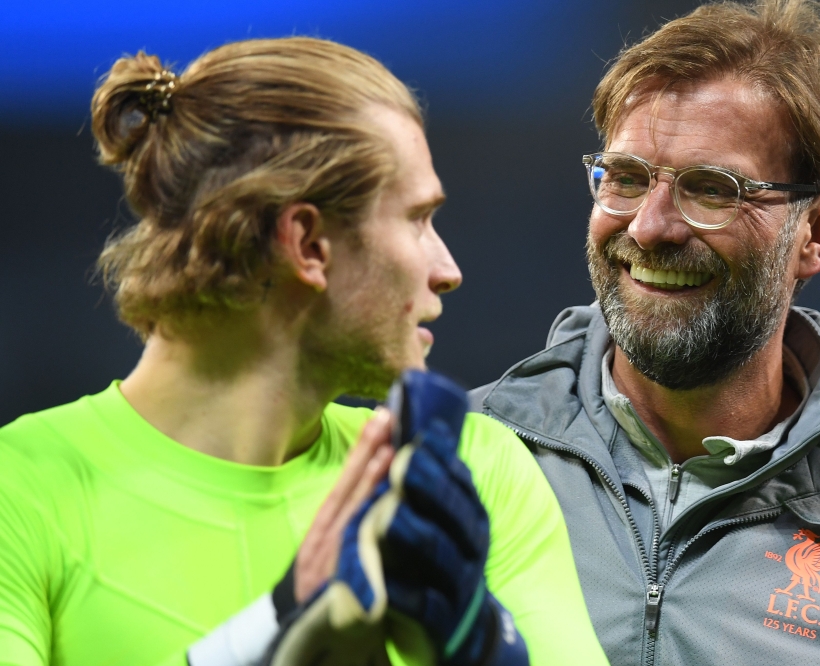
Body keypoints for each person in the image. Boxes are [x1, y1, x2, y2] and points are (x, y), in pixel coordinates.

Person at [0, 37, 607, 666]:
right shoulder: (18, 492)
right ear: (309, 244)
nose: (447, 268)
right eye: (418, 219)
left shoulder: (465, 477)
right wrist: (276, 629)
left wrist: (481, 647)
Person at [470, 1, 820, 664]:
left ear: (819, 233)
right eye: (626, 179)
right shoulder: (445, 466)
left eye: (711, 189)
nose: (648, 227)